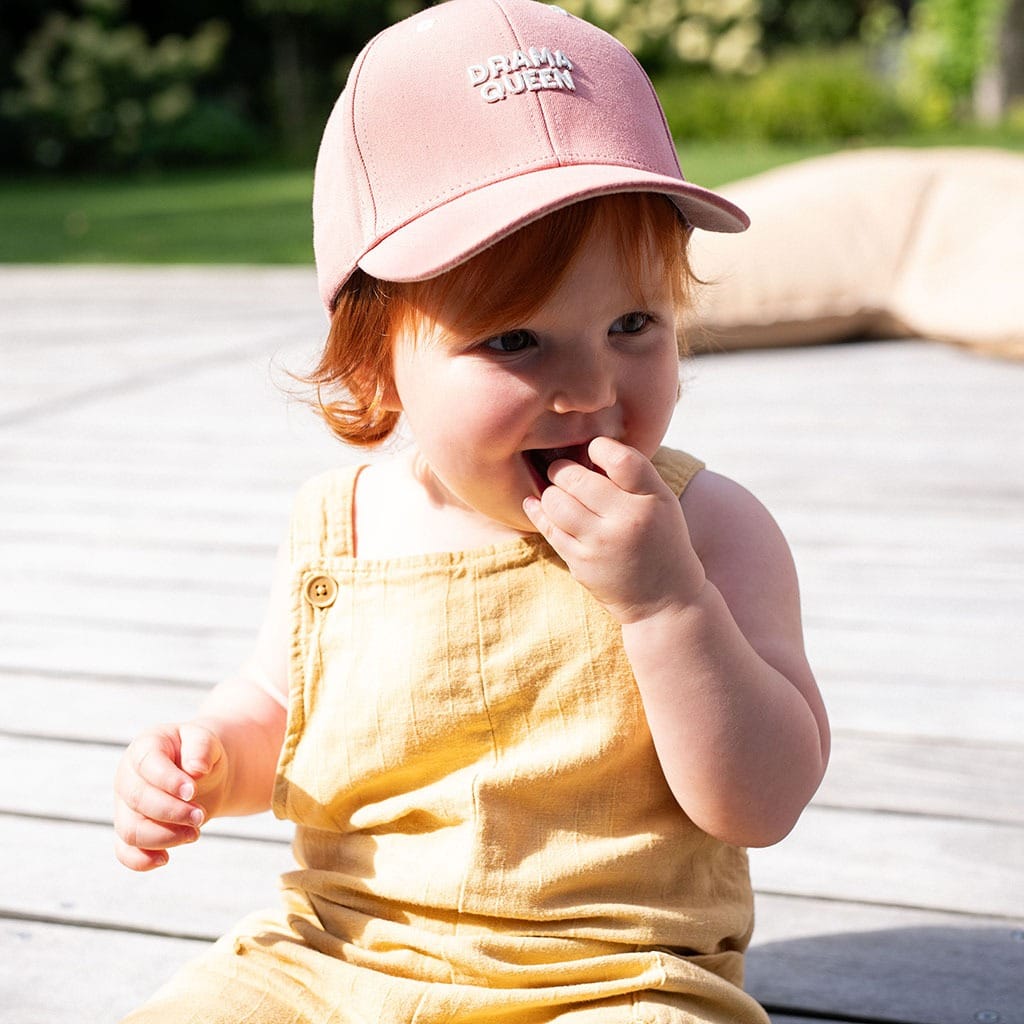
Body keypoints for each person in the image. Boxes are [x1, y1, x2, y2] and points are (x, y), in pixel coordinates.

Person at [113, 1, 830, 1021]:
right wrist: (208, 758)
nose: (589, 388)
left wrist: (667, 607)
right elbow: (285, 712)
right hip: (335, 953)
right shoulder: (342, 528)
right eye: (515, 342)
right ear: (375, 360)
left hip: (610, 975)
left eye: (634, 322)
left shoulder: (711, 531)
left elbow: (760, 802)